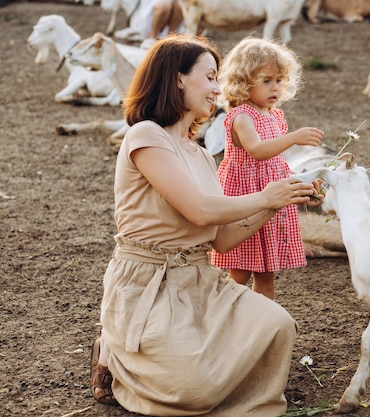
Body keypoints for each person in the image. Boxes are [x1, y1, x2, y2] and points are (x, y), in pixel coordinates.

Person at [90, 33, 321, 417]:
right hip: (149, 281)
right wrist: (266, 196)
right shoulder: (146, 135)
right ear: (178, 78)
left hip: (199, 278)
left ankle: (182, 363)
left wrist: (281, 201)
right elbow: (199, 210)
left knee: (278, 325)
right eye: (210, 77)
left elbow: (224, 240)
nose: (218, 88)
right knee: (194, 390)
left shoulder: (200, 155)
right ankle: (113, 353)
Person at [210, 37, 325, 299]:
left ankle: (263, 328)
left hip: (269, 203)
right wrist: (294, 137)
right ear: (243, 81)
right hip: (246, 201)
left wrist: (302, 183)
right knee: (239, 275)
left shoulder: (274, 115)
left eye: (279, 80)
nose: (275, 88)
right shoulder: (242, 116)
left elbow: (276, 163)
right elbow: (258, 151)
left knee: (266, 275)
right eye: (266, 80)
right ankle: (228, 321)